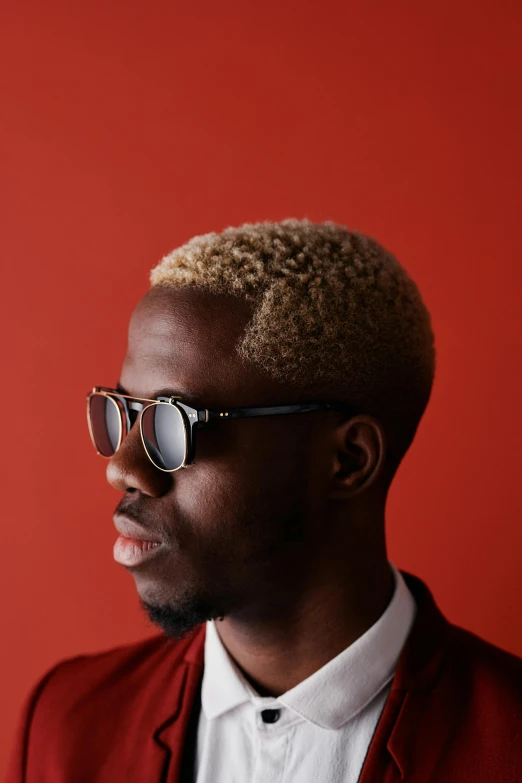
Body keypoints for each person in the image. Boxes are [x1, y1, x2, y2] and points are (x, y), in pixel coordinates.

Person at [8, 220, 522, 783]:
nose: (122, 468)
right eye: (122, 413)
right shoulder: (67, 724)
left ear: (348, 460)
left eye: (173, 423)